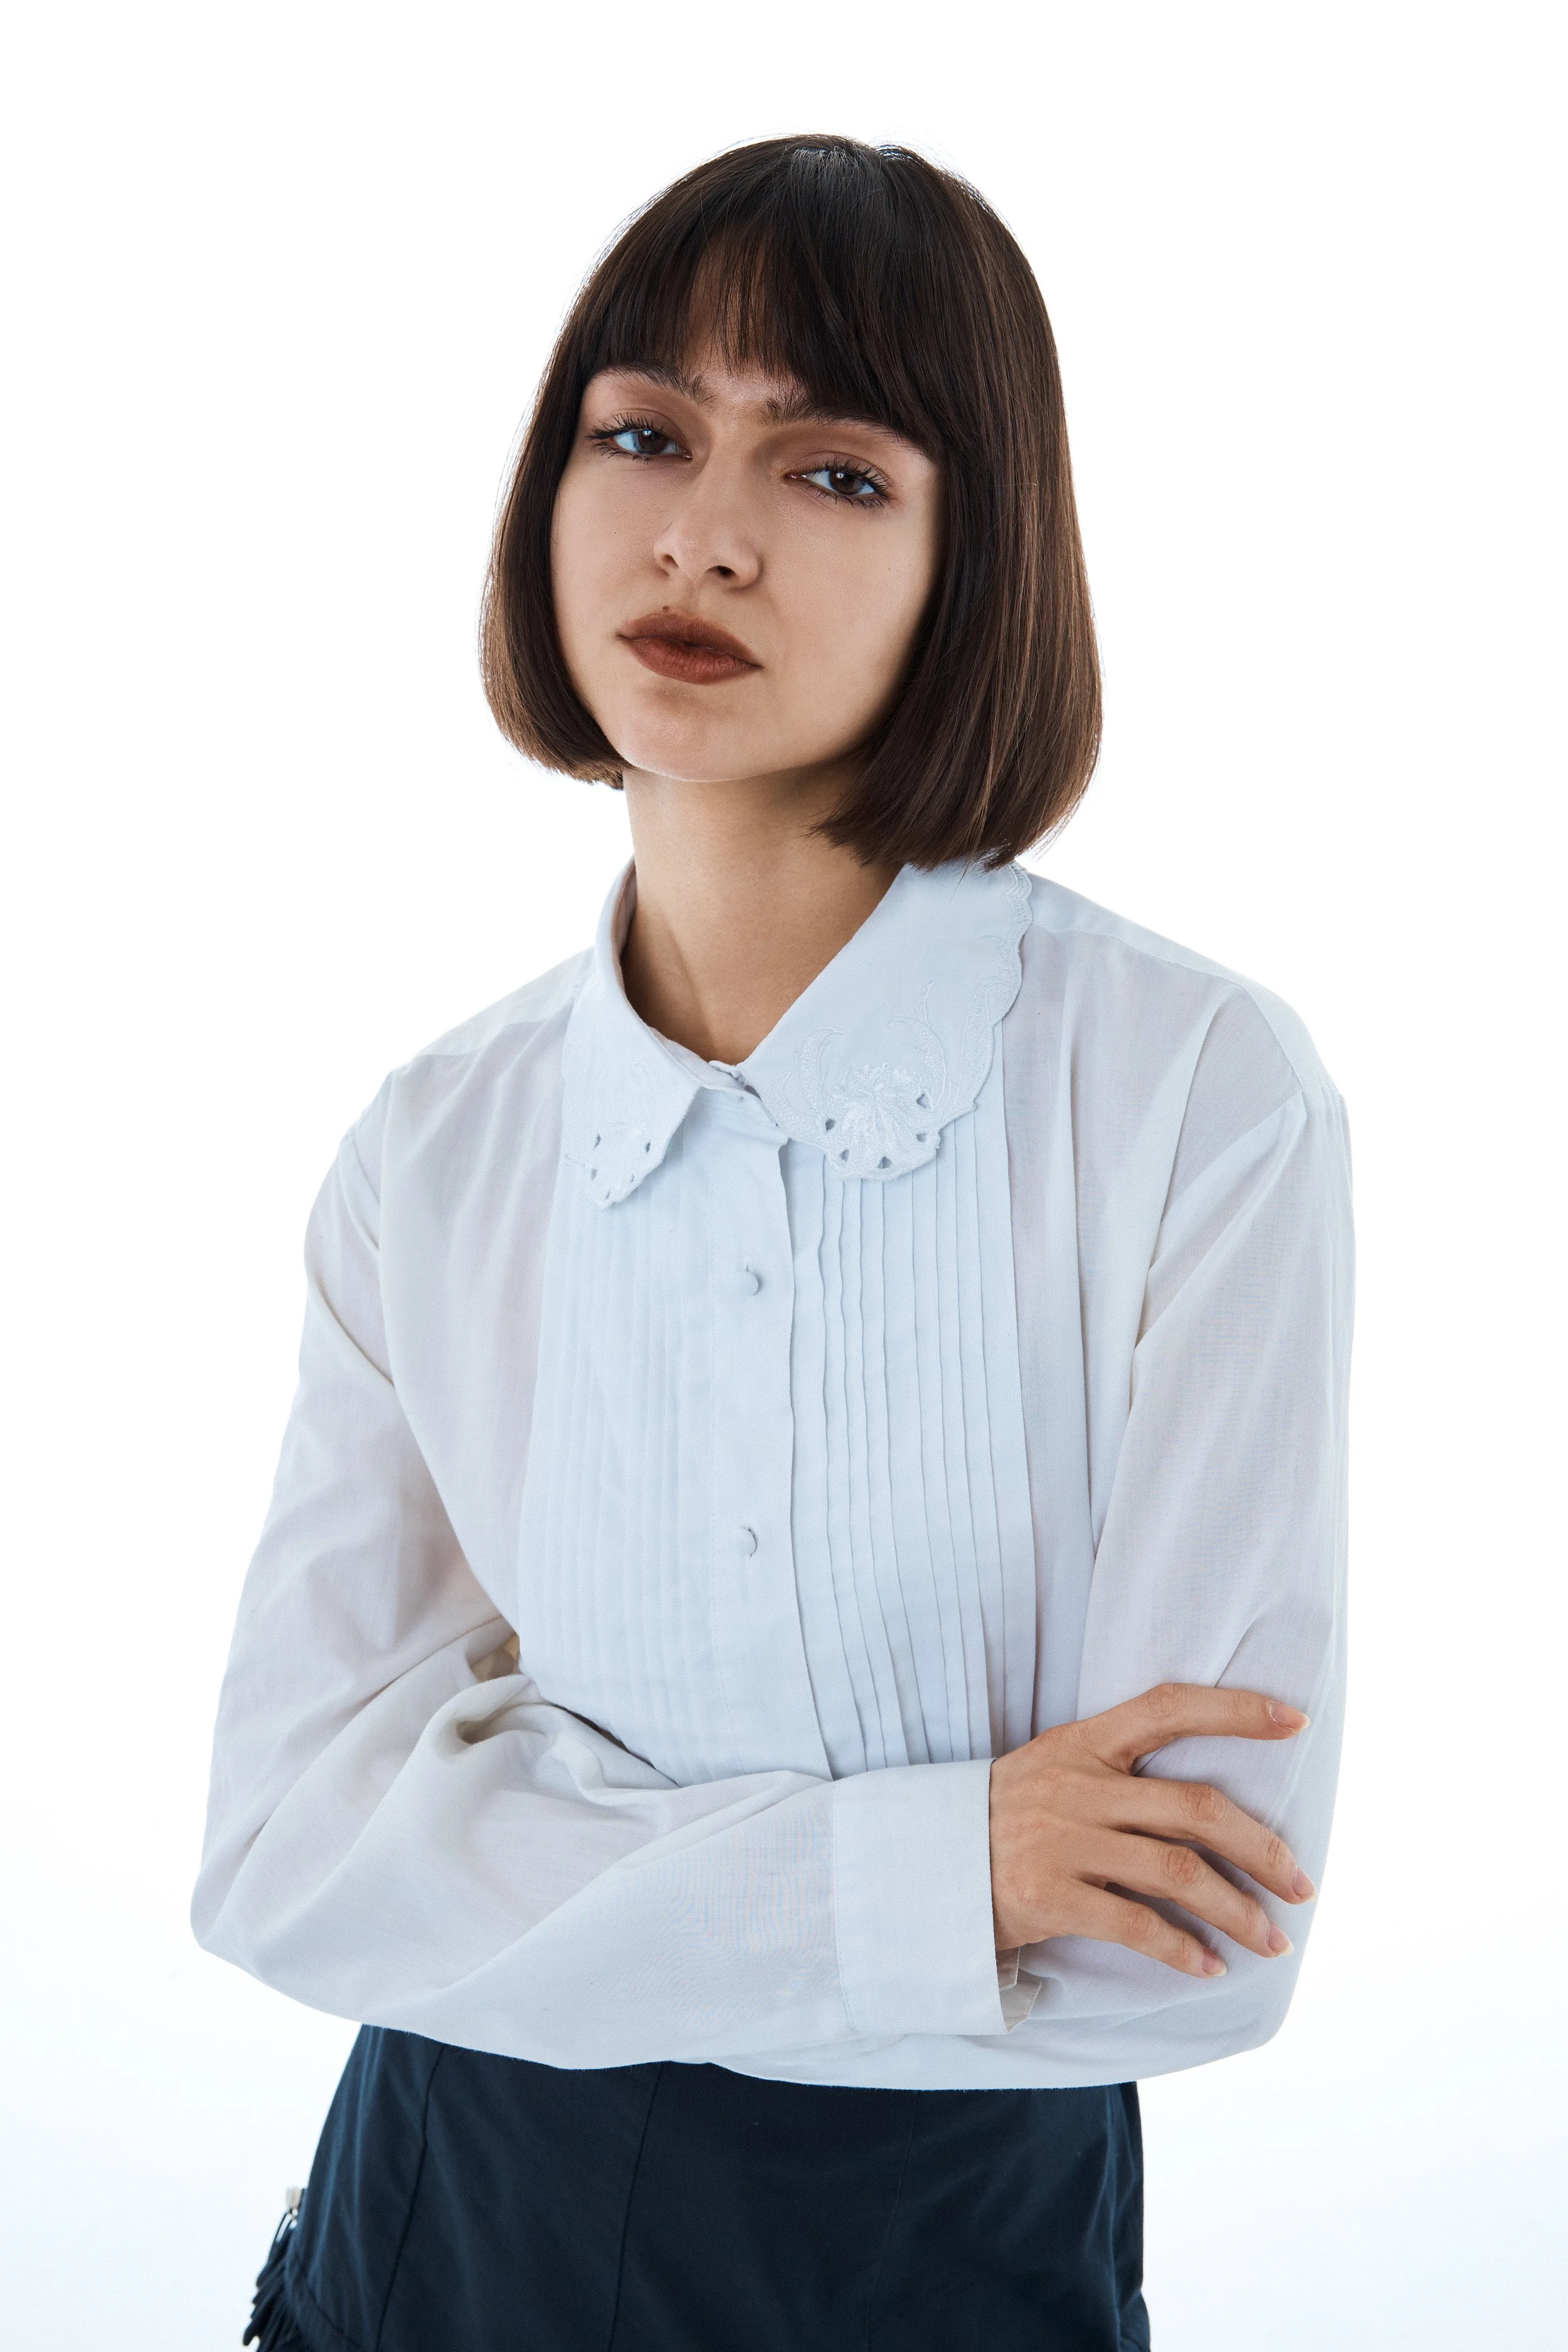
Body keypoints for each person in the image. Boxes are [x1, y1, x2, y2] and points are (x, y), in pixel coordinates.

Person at [194, 134, 1352, 2352]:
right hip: (430, 2235)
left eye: (832, 473)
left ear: (972, 559)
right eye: (641, 434)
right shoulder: (432, 1148)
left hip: (932, 2267)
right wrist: (940, 1865)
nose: (699, 531)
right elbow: (286, 1853)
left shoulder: (1188, 1089)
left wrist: (520, 1845)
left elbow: (1180, 1931)